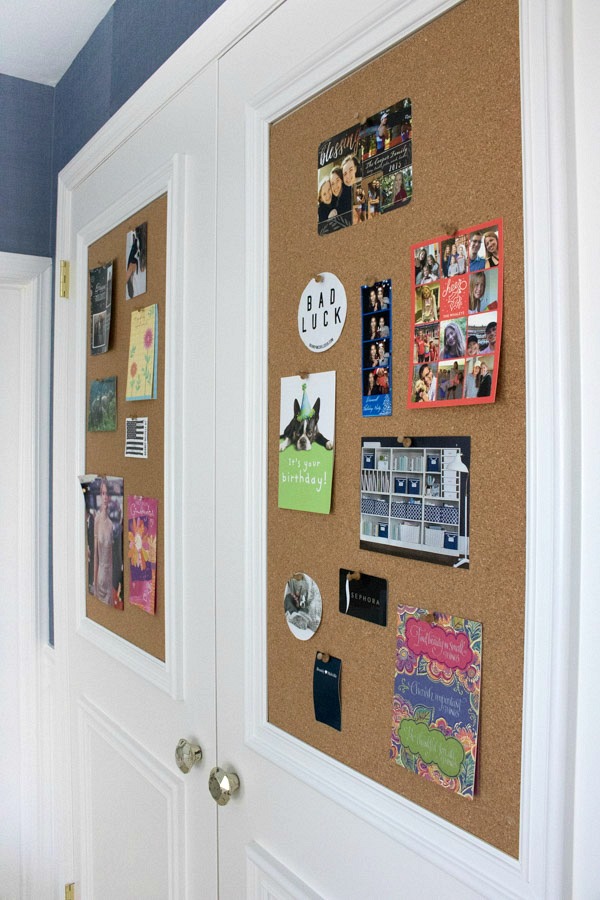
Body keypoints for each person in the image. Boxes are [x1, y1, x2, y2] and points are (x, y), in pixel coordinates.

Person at [94, 478, 113, 605]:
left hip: (109, 578)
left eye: (107, 494)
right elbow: (95, 554)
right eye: (103, 493)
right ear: (101, 495)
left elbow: (112, 557)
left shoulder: (111, 524)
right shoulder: (97, 520)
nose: (105, 497)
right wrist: (95, 580)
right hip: (100, 576)